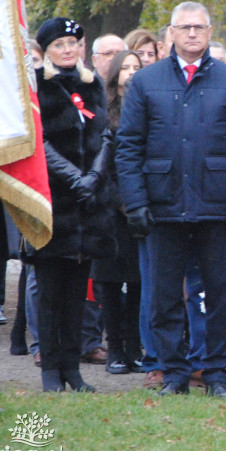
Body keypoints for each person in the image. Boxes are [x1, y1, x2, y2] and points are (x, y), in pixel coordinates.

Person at [117, 1, 226, 398]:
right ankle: (174, 372)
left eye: (199, 27)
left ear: (210, 31)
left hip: (218, 206)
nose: (193, 34)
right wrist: (136, 202)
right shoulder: (147, 82)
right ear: (171, 34)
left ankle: (216, 373)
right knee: (164, 297)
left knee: (218, 294)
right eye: (185, 27)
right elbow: (128, 145)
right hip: (163, 206)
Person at [34, 17, 116, 392]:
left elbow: (103, 134)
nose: (68, 50)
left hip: (89, 204)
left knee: (77, 294)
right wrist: (73, 177)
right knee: (51, 292)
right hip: (55, 201)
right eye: (60, 45)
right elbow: (38, 139)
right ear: (47, 51)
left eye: (73, 43)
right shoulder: (38, 84)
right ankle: (51, 369)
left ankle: (73, 368)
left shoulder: (92, 82)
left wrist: (96, 176)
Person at [92, 50, 145, 375]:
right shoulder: (103, 110)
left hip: (141, 208)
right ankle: (115, 348)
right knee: (110, 281)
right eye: (125, 67)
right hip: (110, 210)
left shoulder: (149, 107)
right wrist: (118, 199)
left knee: (139, 281)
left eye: (137, 67)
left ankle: (134, 346)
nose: (131, 73)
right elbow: (101, 160)